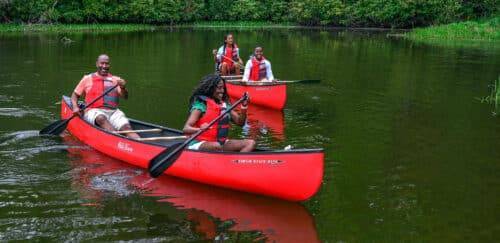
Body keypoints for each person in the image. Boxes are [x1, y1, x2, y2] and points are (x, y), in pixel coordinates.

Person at [71, 54, 140, 139]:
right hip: (93, 111)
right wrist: (75, 107)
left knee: (126, 128)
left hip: (113, 112)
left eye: (106, 63)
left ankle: (141, 143)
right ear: (97, 64)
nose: (104, 66)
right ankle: (117, 139)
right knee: (101, 118)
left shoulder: (116, 80)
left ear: (109, 65)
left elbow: (125, 97)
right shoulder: (87, 78)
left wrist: (123, 87)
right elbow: (74, 96)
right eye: (102, 63)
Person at [183, 74, 256, 152]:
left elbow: (240, 122)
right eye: (219, 88)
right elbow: (186, 129)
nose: (222, 91)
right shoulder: (201, 105)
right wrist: (199, 129)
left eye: (223, 88)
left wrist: (244, 107)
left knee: (250, 143)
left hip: (219, 143)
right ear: (211, 89)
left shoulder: (224, 105)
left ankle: (237, 162)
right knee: (216, 146)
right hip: (198, 143)